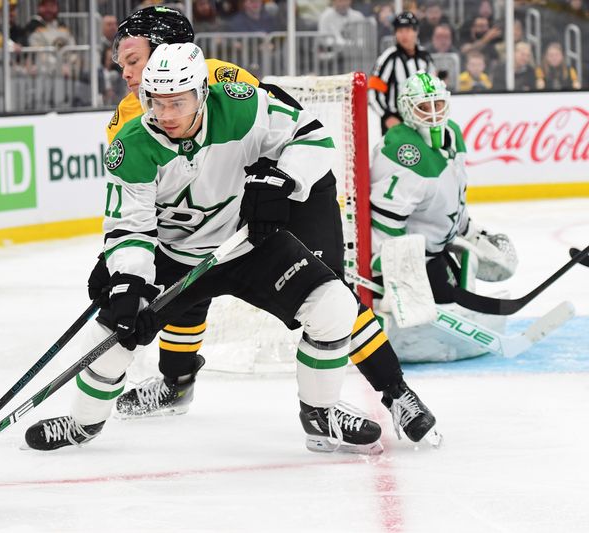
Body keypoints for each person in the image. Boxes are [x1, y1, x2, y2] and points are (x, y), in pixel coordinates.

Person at [47, 6, 439, 447]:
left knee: (332, 296)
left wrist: (280, 181)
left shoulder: (223, 83)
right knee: (184, 283)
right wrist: (123, 272)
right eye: (122, 64)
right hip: (216, 217)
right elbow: (147, 207)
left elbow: (290, 134)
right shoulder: (130, 123)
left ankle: (394, 391)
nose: (125, 73)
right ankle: (175, 384)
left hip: (290, 194)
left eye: (133, 60)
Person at [369, 71, 517, 358]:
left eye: (438, 104)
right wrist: (391, 271)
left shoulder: (453, 136)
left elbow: (453, 197)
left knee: (461, 288)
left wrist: (469, 231)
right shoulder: (402, 150)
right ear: (407, 109)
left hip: (438, 248)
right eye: (424, 107)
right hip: (415, 257)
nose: (434, 114)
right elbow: (386, 220)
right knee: (446, 301)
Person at [368, 11, 436, 133]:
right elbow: (373, 91)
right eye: (400, 31)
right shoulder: (388, 58)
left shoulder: (425, 57)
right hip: (396, 121)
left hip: (422, 119)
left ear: (416, 32)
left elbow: (432, 88)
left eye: (408, 30)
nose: (404, 35)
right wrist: (387, 116)